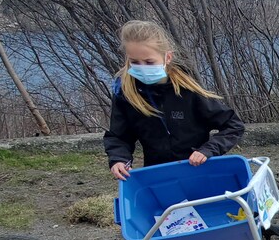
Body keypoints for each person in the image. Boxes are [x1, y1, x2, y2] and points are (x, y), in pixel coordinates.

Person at [104, 20, 245, 181]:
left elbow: (233, 125)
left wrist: (207, 150)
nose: (142, 67)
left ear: (167, 57)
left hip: (199, 172)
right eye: (135, 62)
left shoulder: (188, 91)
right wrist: (119, 159)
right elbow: (118, 136)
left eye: (149, 62)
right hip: (158, 176)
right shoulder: (126, 95)